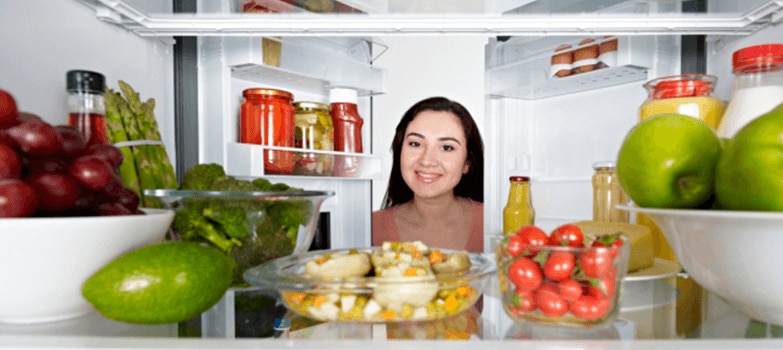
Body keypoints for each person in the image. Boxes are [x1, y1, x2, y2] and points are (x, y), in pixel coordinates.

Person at [372, 96, 484, 252]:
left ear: (467, 163)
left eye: (446, 148)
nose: (426, 161)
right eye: (415, 144)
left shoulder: (496, 223)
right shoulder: (368, 227)